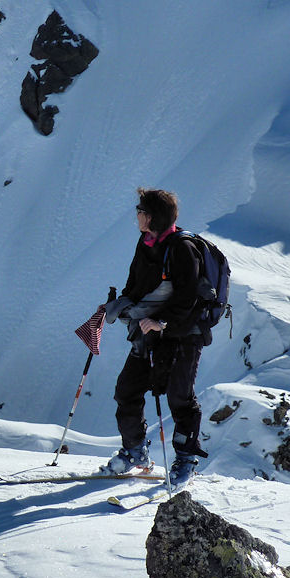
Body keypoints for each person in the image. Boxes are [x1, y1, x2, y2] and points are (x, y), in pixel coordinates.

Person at [101, 187, 208, 484]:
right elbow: (135, 286)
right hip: (149, 333)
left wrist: (162, 322)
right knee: (127, 390)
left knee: (180, 397)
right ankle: (135, 451)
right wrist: (117, 307)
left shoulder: (182, 249)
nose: (136, 215)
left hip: (185, 335)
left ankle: (186, 461)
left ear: (152, 217)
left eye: (140, 211)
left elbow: (189, 299)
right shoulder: (145, 243)